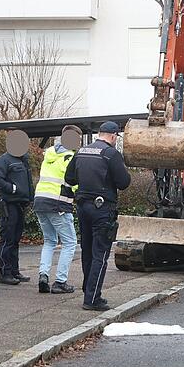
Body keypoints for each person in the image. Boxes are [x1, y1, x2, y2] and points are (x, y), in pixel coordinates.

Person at [65, 121, 131, 311]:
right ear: (112, 136)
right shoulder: (111, 154)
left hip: (83, 206)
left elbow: (69, 178)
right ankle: (92, 298)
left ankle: (88, 290)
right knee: (100, 254)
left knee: (87, 250)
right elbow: (123, 182)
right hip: (102, 208)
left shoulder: (82, 151)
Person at [34, 125, 81, 294]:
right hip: (58, 203)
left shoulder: (50, 154)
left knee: (50, 241)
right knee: (69, 243)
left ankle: (43, 275)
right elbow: (72, 182)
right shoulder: (70, 157)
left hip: (40, 201)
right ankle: (60, 282)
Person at [0, 140, 34, 285]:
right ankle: (5, 273)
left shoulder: (23, 160)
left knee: (15, 240)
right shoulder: (3, 160)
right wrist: (13, 189)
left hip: (20, 204)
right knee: (8, 239)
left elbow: (28, 182)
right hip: (9, 204)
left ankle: (14, 271)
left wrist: (29, 198)